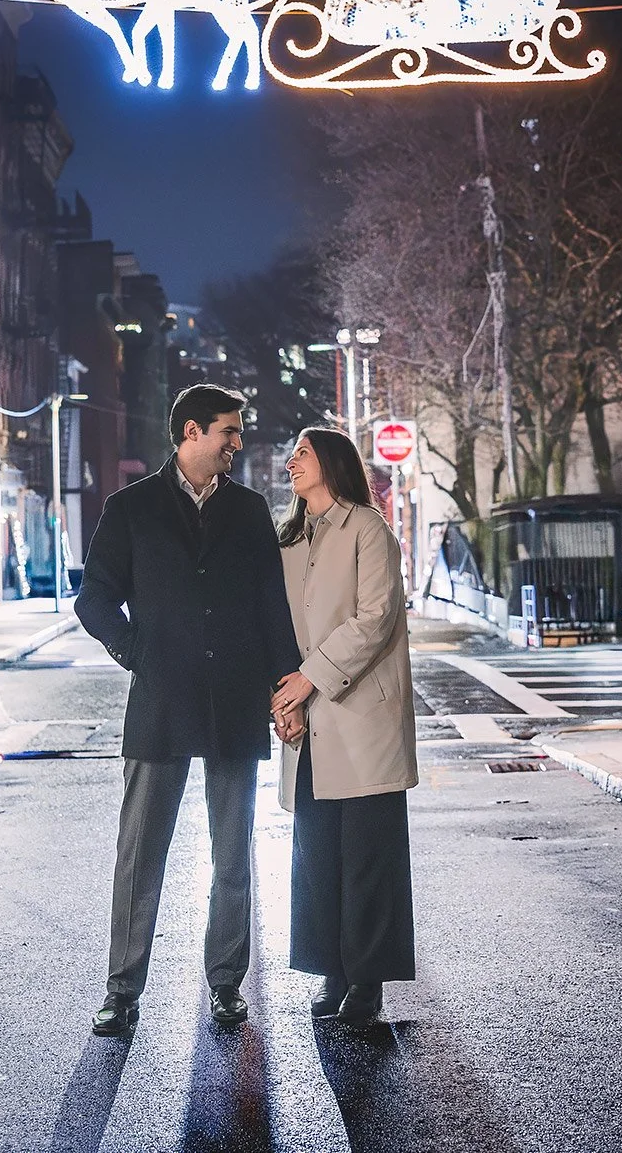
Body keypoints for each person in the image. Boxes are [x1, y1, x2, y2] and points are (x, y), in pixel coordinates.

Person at [75, 383, 307, 1037]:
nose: (238, 442)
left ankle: (226, 984)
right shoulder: (131, 509)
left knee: (232, 852)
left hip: (235, 700)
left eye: (238, 431)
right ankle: (122, 990)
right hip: (160, 701)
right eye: (229, 431)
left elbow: (272, 608)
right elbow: (93, 597)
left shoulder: (249, 509)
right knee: (140, 853)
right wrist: (133, 648)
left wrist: (284, 686)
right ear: (191, 432)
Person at [270, 426, 417, 1032]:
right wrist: (284, 698)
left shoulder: (368, 528)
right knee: (319, 852)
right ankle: (332, 967)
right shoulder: (288, 539)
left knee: (367, 854)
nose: (290, 463)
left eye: (301, 454)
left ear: (331, 463)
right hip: (308, 718)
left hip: (361, 717)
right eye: (291, 456)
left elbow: (375, 619)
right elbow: (278, 625)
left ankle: (368, 978)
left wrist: (308, 681)